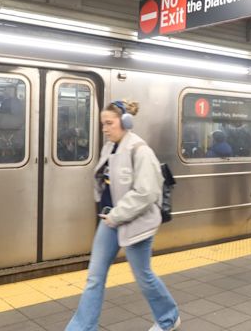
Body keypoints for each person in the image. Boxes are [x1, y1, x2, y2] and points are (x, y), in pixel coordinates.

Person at [66, 100, 180, 331]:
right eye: (102, 124)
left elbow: (146, 192)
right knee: (95, 277)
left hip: (137, 223)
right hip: (110, 221)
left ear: (126, 122)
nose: (105, 129)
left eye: (109, 123)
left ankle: (169, 318)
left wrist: (117, 214)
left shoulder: (140, 150)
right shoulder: (109, 147)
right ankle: (82, 328)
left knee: (143, 276)